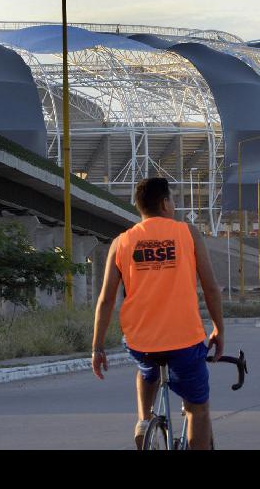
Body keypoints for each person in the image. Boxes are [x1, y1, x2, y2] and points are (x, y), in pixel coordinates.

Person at [91, 177, 224, 450]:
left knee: (147, 367)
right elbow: (211, 288)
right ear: (165, 203)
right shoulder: (187, 233)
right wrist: (218, 328)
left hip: (141, 341)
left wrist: (97, 346)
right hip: (184, 341)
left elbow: (105, 300)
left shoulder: (122, 242)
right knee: (198, 408)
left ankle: (143, 420)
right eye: (172, 200)